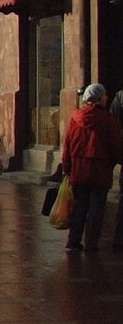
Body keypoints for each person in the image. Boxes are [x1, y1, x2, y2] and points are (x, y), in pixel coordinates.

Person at [63, 83, 123, 253]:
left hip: (79, 170)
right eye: (104, 96)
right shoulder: (107, 120)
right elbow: (116, 146)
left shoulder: (75, 117)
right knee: (96, 209)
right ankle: (91, 243)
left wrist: (67, 167)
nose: (106, 98)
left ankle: (73, 241)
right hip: (100, 171)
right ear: (98, 98)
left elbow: (67, 144)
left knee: (79, 207)